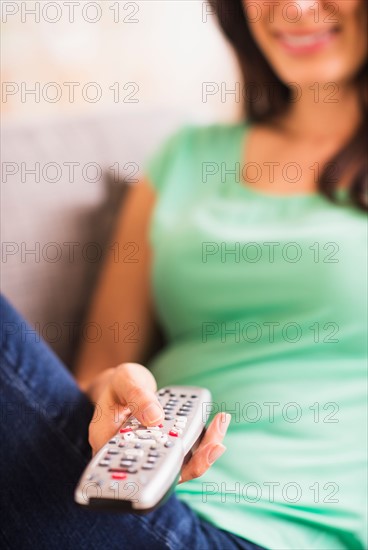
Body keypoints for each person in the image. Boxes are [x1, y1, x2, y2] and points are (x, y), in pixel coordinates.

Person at [1, 1, 367, 548]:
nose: (293, 6)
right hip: (121, 499)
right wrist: (114, 397)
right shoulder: (185, 157)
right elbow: (96, 373)